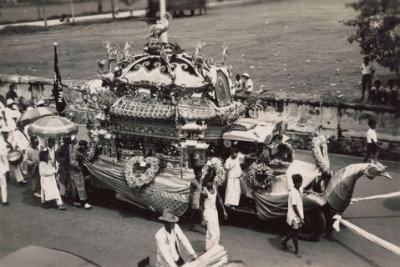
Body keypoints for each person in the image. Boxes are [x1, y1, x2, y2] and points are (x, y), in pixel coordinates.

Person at [201, 169, 228, 251]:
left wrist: (224, 211)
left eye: (212, 182)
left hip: (214, 212)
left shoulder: (215, 190)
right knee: (211, 231)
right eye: (209, 182)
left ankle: (214, 248)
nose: (211, 184)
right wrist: (202, 219)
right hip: (207, 212)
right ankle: (208, 248)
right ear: (206, 182)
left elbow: (219, 199)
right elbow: (200, 205)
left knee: (216, 231)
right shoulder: (204, 192)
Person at [280, 174, 304, 256]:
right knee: (295, 233)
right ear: (296, 183)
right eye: (300, 182)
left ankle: (284, 241)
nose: (301, 184)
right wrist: (301, 218)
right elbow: (295, 207)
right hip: (294, 216)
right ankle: (297, 250)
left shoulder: (299, 190)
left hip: (297, 215)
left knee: (294, 232)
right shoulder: (293, 193)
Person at [69, 137, 91, 209]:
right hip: (75, 170)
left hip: (73, 170)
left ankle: (77, 201)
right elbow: (72, 161)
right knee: (80, 186)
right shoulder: (71, 150)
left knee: (77, 186)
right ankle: (83, 202)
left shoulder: (73, 149)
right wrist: (78, 166)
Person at [188, 165, 202, 232]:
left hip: (199, 197)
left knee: (195, 212)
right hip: (195, 198)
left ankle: (192, 225)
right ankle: (191, 226)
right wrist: (191, 200)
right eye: (198, 173)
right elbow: (191, 192)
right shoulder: (193, 181)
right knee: (195, 212)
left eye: (201, 173)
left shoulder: (200, 181)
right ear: (195, 174)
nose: (200, 174)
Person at [0, 127, 10, 206]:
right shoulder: (2, 142)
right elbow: (3, 156)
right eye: (6, 133)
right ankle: (4, 200)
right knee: (3, 184)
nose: (7, 134)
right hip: (1, 167)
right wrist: (7, 170)